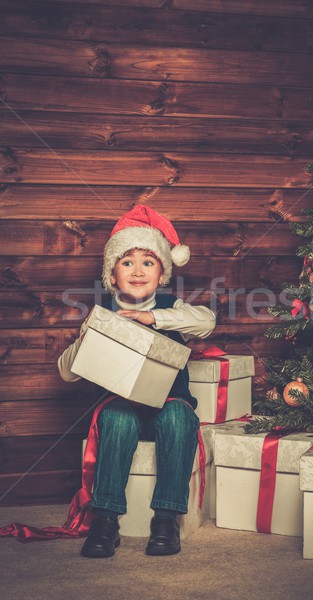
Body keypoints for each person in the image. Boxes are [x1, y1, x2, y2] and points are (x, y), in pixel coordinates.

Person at [58, 206, 216, 558]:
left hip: (168, 406)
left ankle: (165, 518)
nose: (138, 270)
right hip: (124, 406)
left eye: (148, 262)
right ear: (112, 275)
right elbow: (66, 372)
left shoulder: (170, 307)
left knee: (180, 417)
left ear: (162, 274)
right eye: (127, 262)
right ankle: (106, 520)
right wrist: (86, 339)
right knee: (115, 416)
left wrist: (153, 317)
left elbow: (206, 322)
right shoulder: (103, 315)